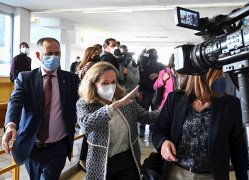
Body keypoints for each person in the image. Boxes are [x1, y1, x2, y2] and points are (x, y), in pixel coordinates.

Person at [1, 37, 80, 179]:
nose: (54, 57)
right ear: (38, 55)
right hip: (31, 145)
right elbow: (15, 102)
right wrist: (11, 125)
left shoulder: (71, 79)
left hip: (58, 146)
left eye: (57, 53)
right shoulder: (26, 78)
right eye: (49, 53)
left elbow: (83, 101)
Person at [152, 68, 249, 180]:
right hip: (177, 173)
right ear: (199, 77)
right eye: (215, 75)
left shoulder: (231, 105)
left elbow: (238, 150)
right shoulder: (175, 99)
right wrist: (163, 142)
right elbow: (159, 131)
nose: (221, 78)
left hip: (211, 176)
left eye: (221, 74)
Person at [76, 62, 159, 180]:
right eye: (104, 83)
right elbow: (86, 124)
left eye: (113, 82)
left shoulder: (126, 100)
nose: (110, 86)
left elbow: (146, 117)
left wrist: (168, 108)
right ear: (93, 84)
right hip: (99, 160)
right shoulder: (85, 103)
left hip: (127, 159)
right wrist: (114, 106)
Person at [76, 46, 100, 171]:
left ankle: (84, 159)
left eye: (98, 52)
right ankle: (83, 159)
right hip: (90, 100)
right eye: (95, 52)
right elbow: (90, 83)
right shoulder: (90, 66)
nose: (97, 54)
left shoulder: (83, 65)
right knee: (90, 131)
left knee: (89, 131)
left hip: (88, 99)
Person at [138, 48, 164, 138]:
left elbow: (166, 74)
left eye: (156, 53)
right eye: (153, 53)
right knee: (143, 112)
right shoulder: (143, 64)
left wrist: (158, 75)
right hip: (145, 92)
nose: (155, 55)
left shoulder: (160, 65)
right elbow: (140, 79)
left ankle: (153, 131)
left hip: (156, 92)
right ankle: (142, 130)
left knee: (155, 112)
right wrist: (139, 91)